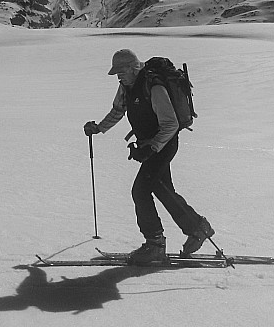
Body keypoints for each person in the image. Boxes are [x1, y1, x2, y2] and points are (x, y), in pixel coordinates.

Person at [84, 49, 214, 264]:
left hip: (164, 144)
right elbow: (118, 110)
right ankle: (198, 228)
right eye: (116, 72)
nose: (118, 76)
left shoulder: (154, 86)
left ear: (134, 67)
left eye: (121, 71)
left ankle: (155, 244)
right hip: (150, 145)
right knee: (162, 189)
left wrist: (152, 147)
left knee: (141, 190)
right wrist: (99, 128)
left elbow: (170, 124)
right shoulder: (127, 86)